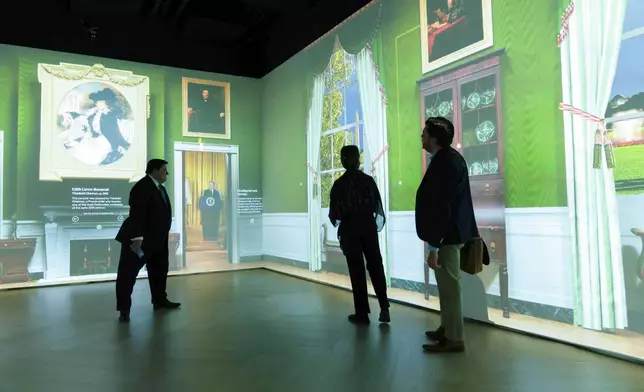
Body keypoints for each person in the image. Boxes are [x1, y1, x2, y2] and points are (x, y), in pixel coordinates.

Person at [415, 117, 478, 352]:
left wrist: (434, 246)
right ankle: (447, 328)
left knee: (450, 290)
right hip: (450, 234)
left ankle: (454, 339)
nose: (421, 137)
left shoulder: (445, 163)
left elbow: (443, 207)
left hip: (447, 237)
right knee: (447, 287)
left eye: (424, 133)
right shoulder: (448, 159)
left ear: (434, 138)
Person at [329, 145, 390, 325]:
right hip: (368, 228)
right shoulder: (368, 181)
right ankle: (384, 308)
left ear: (343, 160)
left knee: (357, 271)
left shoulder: (339, 185)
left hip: (350, 231)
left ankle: (362, 313)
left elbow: (335, 214)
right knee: (376, 266)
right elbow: (377, 207)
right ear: (358, 159)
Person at [115, 159, 181, 322]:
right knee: (128, 274)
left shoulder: (160, 188)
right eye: (165, 169)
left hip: (157, 241)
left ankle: (159, 300)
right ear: (155, 170)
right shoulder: (142, 187)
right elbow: (137, 215)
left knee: (159, 271)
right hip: (139, 243)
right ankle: (124, 310)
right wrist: (137, 239)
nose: (167, 173)